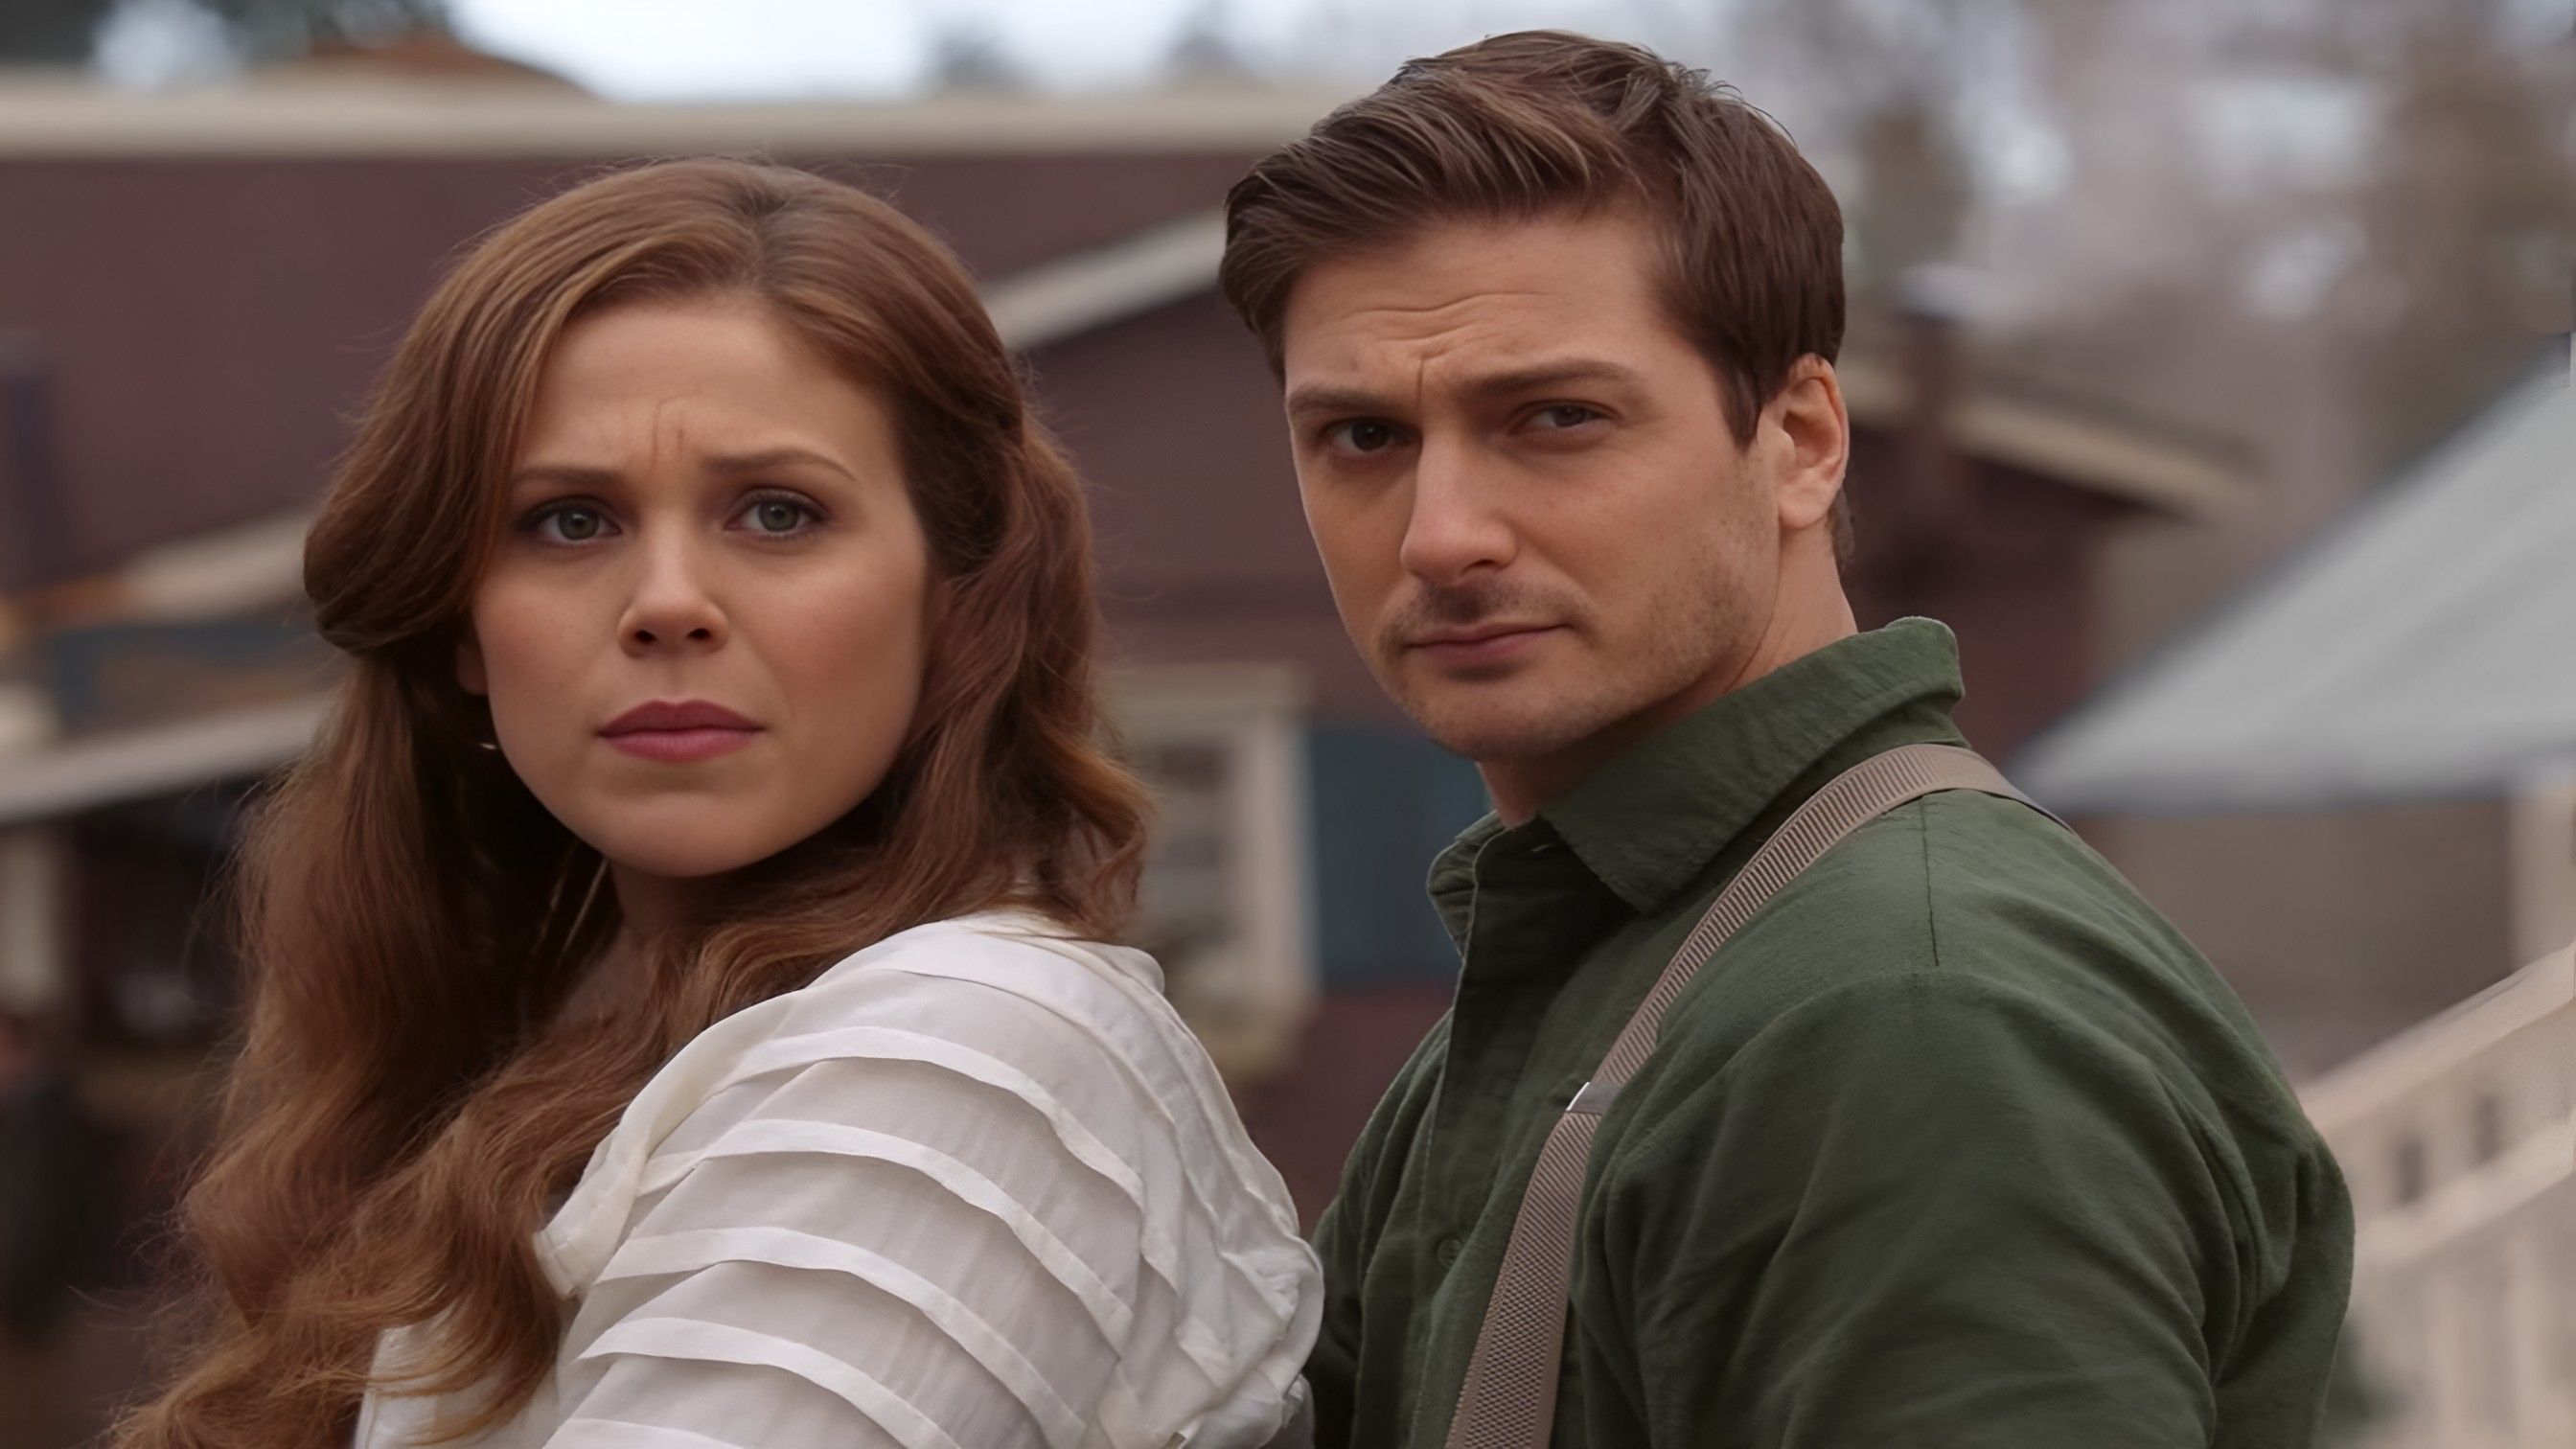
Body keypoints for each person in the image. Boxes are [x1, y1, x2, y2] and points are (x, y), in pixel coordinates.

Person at [1216, 31, 2353, 1449]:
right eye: (1364, 438)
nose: (1442, 536)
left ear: (1804, 440)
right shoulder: (1609, 963)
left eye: (1556, 417)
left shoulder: (1907, 1013)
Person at [114, 158, 1320, 1449]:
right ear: (460, 621)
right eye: (569, 522)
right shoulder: (568, 1048)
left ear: (956, 591)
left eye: (778, 513)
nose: (668, 603)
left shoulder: (956, 1052)